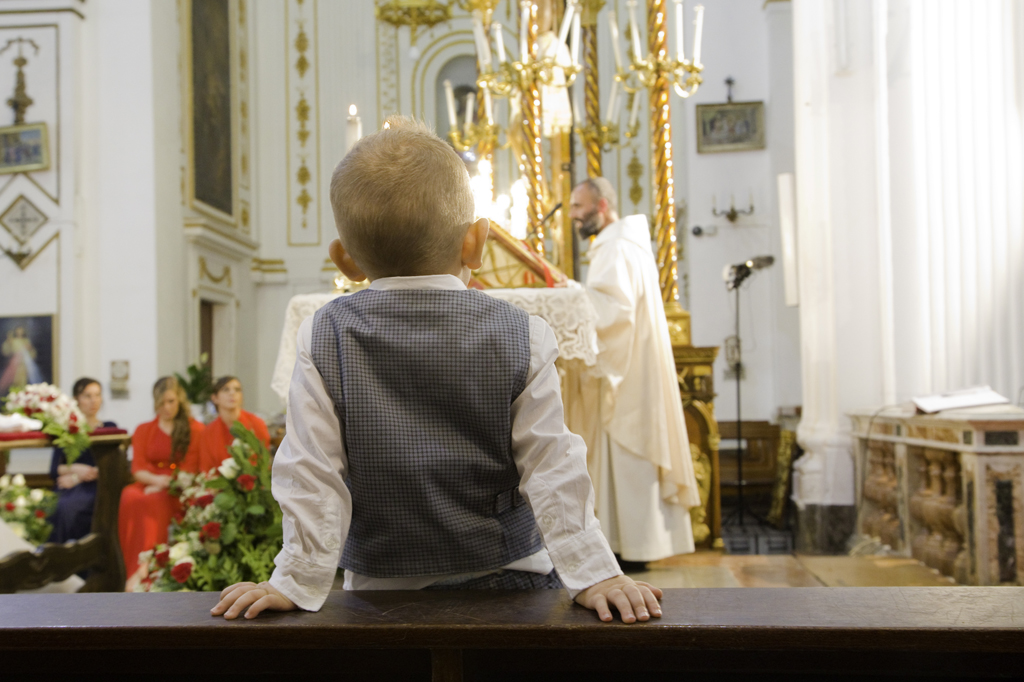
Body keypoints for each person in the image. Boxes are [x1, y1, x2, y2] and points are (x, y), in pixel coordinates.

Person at [212, 117, 661, 623]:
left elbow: (310, 470)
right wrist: (594, 571)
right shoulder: (523, 333)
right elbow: (552, 463)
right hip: (513, 575)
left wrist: (294, 579)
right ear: (476, 242)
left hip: (382, 586)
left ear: (345, 261)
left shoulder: (325, 334)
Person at [569, 177, 702, 571]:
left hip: (625, 370)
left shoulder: (613, 247)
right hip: (634, 362)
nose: (574, 216)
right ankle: (636, 541)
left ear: (603, 207)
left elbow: (616, 311)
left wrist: (570, 294)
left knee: (626, 450)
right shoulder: (622, 244)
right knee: (628, 455)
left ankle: (629, 544)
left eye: (579, 207)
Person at [119, 376, 203, 581]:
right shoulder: (143, 430)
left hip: (179, 486)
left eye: (171, 401)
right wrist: (155, 482)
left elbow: (190, 469)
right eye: (161, 403)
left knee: (153, 501)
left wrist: (165, 484)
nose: (166, 407)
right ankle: (132, 569)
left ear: (180, 401)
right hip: (149, 480)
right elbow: (137, 467)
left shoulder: (196, 430)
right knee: (129, 495)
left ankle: (147, 571)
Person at [48, 378, 117, 544]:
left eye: (97, 395)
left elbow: (112, 466)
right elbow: (54, 468)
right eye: (87, 396)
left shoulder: (109, 428)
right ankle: (53, 560)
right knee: (52, 506)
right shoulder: (68, 429)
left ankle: (75, 561)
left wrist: (77, 477)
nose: (94, 401)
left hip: (97, 487)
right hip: (67, 486)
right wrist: (76, 469)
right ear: (76, 399)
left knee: (67, 508)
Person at [196, 376, 271, 474]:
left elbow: (264, 462)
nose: (232, 393)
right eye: (226, 389)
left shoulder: (256, 424)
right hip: (220, 486)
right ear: (215, 398)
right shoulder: (207, 433)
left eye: (237, 389)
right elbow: (207, 470)